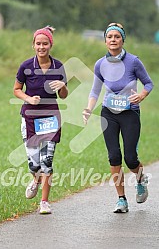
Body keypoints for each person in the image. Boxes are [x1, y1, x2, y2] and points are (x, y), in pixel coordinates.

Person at [83, 22, 153, 213]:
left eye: (117, 37)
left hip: (130, 113)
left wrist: (142, 95)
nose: (113, 40)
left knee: (130, 158)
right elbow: (95, 90)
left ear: (123, 40)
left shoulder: (133, 61)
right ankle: (121, 199)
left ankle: (140, 179)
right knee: (114, 156)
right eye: (109, 37)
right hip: (108, 113)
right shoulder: (100, 64)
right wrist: (89, 109)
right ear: (105, 40)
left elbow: (148, 83)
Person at [13, 25, 68, 214]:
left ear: (50, 45)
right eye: (38, 43)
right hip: (29, 117)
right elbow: (16, 90)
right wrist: (28, 98)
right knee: (34, 163)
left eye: (45, 43)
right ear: (33, 45)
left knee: (47, 161)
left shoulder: (58, 66)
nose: (41, 47)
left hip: (51, 117)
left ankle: (44, 202)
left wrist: (62, 85)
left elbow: (64, 95)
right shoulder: (26, 66)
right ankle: (35, 179)